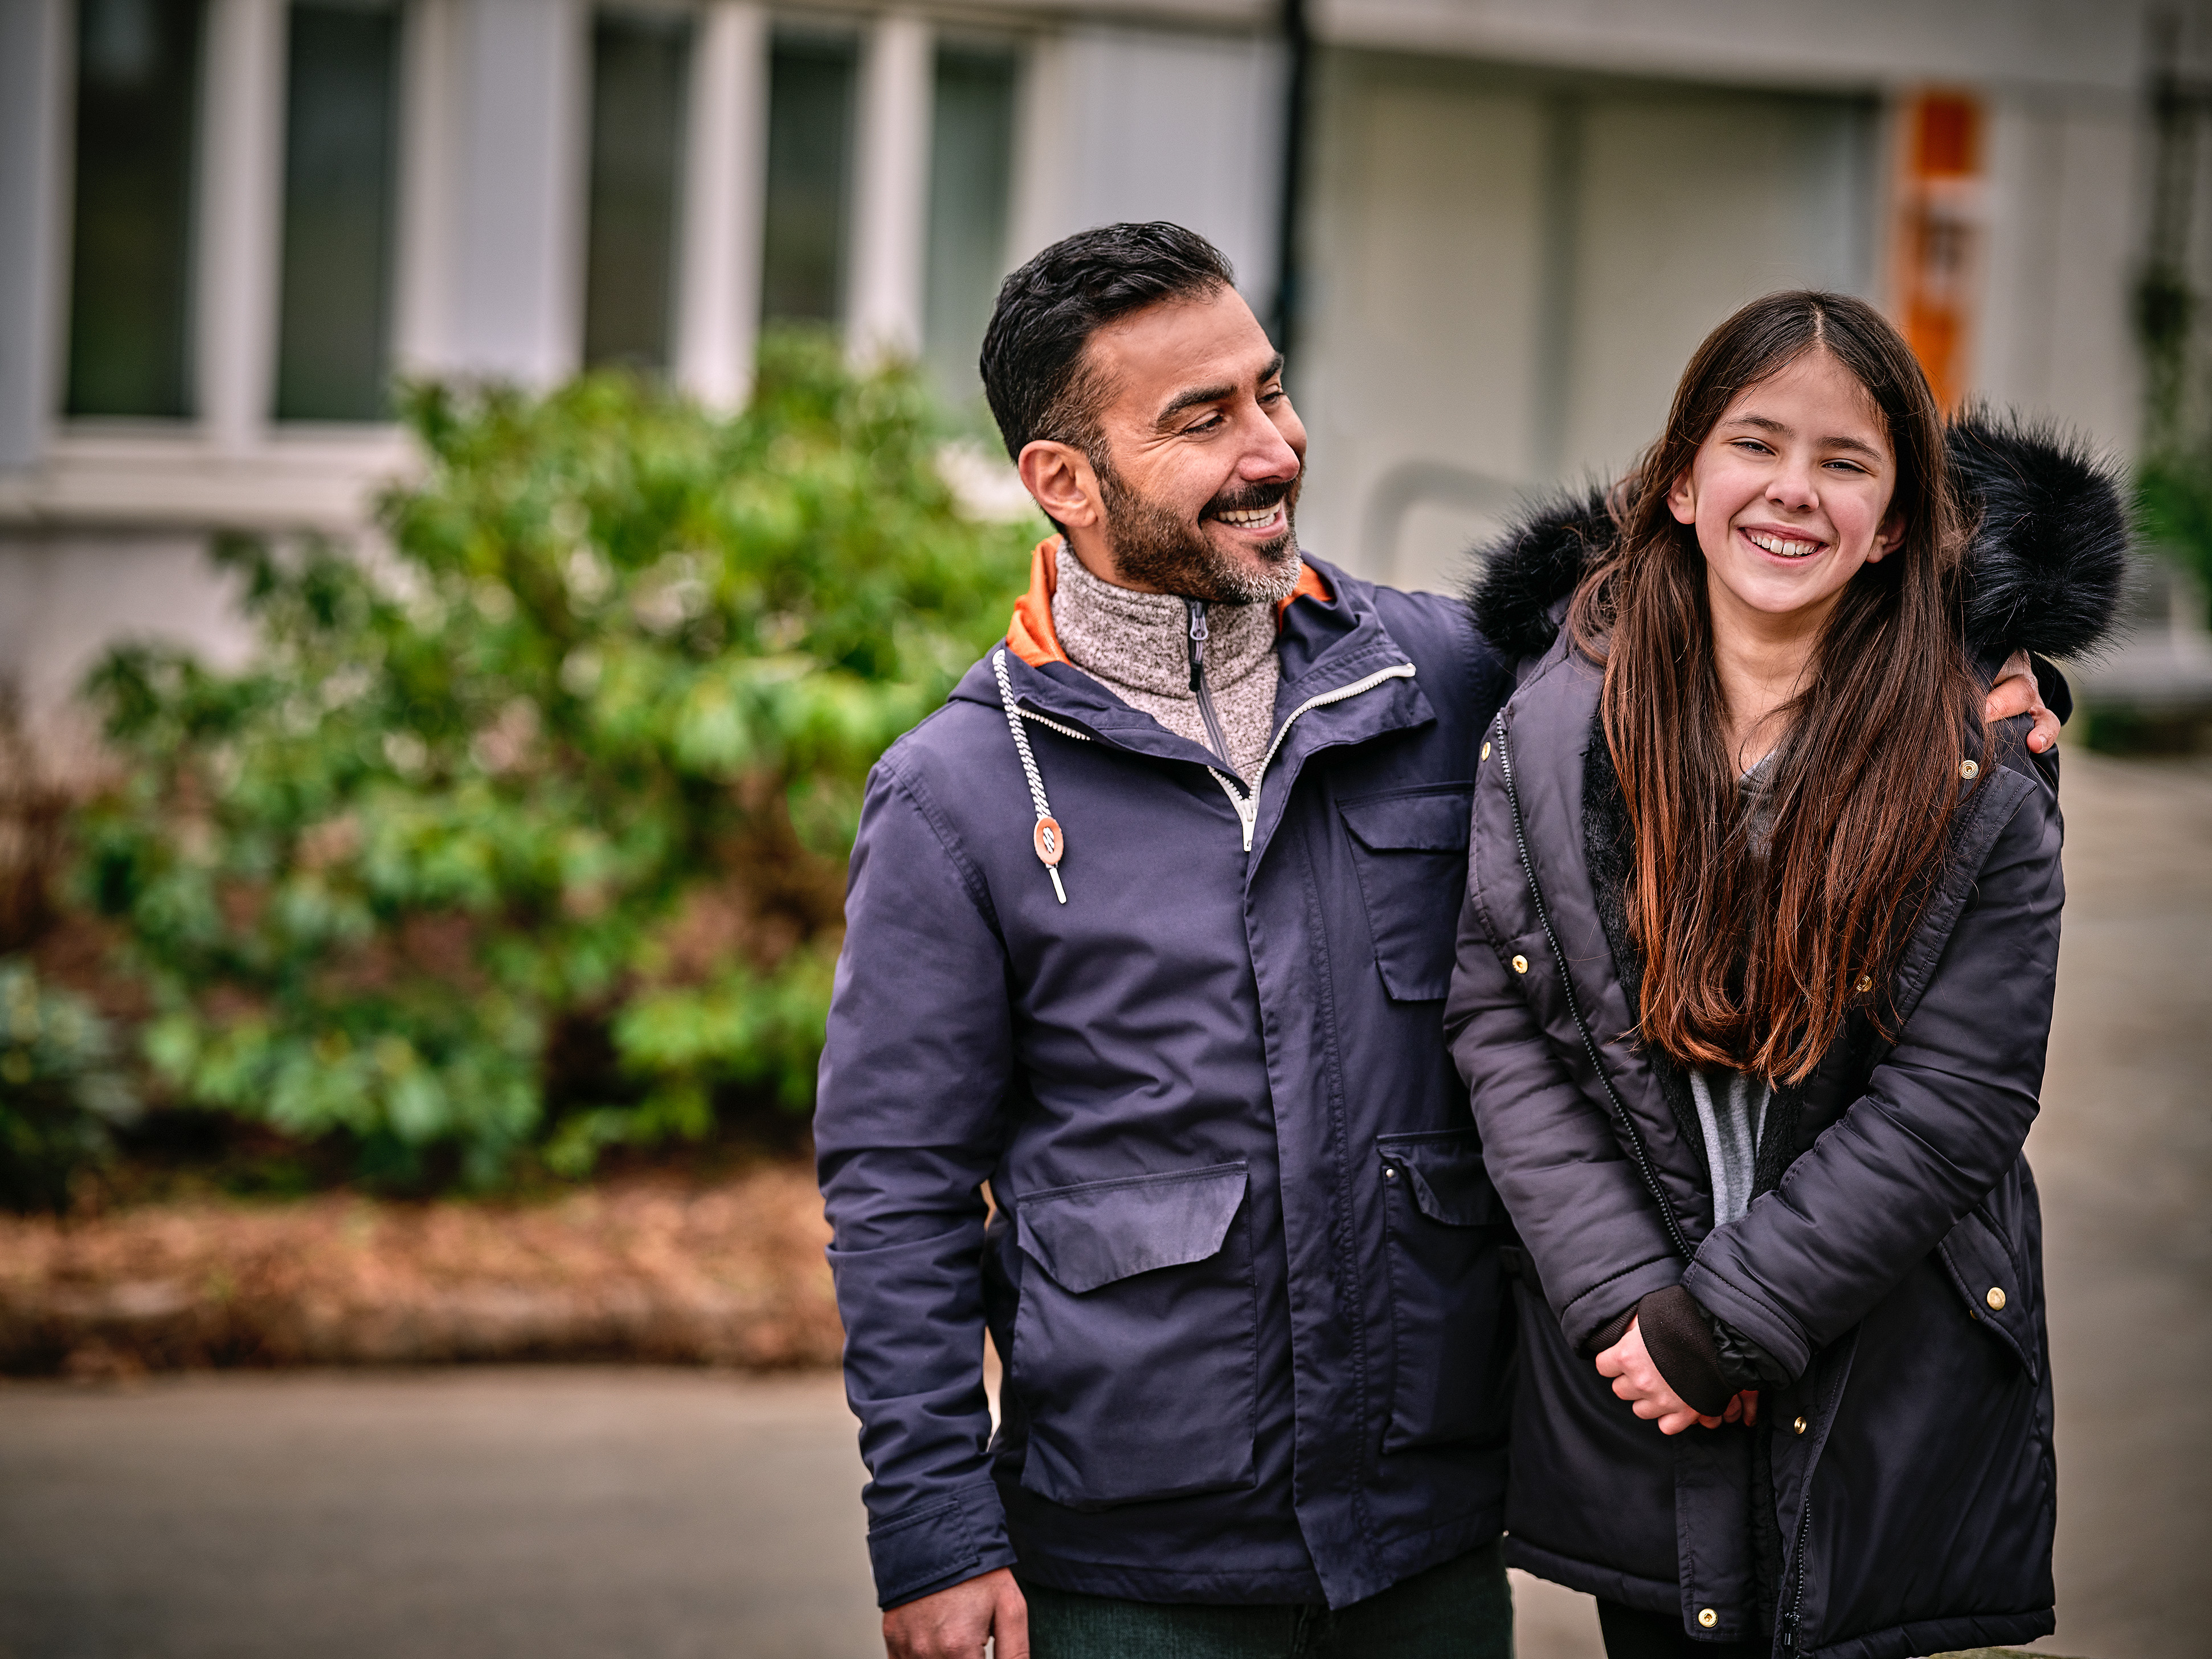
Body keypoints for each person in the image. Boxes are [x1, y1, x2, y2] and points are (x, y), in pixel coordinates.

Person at [816, 227, 2062, 1659]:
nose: (1273, 447)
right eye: (1200, 419)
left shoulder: (1449, 682)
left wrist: (1989, 658)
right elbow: (895, 1188)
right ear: (1061, 481)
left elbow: (1730, 636)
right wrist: (933, 1530)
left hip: (1429, 1535)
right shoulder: (963, 793)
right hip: (1128, 1548)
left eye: (1270, 390)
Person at [1445, 289, 2124, 1659]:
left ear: (1897, 524)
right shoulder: (1551, 722)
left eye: (1846, 461)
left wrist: (1736, 1318)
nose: (1792, 492)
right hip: (1633, 1363)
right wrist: (1635, 1305)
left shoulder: (1974, 762)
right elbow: (1504, 1020)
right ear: (1682, 480)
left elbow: (1959, 1096)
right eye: (1755, 444)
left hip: (1879, 1361)